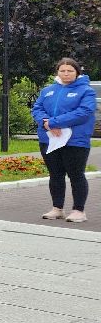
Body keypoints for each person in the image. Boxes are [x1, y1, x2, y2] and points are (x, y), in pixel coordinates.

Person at [32, 57, 95, 223]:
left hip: (75, 141)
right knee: (55, 175)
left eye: (70, 71)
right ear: (57, 72)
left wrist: (54, 122)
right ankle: (57, 208)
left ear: (77, 72)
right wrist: (46, 122)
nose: (66, 73)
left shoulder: (86, 91)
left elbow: (84, 112)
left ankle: (79, 211)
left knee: (76, 175)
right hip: (49, 140)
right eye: (63, 70)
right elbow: (37, 109)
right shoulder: (47, 91)